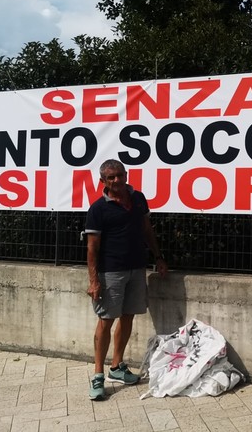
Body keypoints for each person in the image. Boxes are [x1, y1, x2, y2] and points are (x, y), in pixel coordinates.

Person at [85, 159, 168, 401]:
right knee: (106, 321)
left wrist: (158, 257)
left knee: (128, 316)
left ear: (126, 175)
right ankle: (98, 375)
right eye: (111, 177)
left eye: (120, 175)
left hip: (137, 268)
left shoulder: (139, 198)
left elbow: (146, 229)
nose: (117, 180)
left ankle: (117, 367)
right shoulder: (98, 209)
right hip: (110, 272)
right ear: (103, 181)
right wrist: (94, 281)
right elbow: (92, 248)